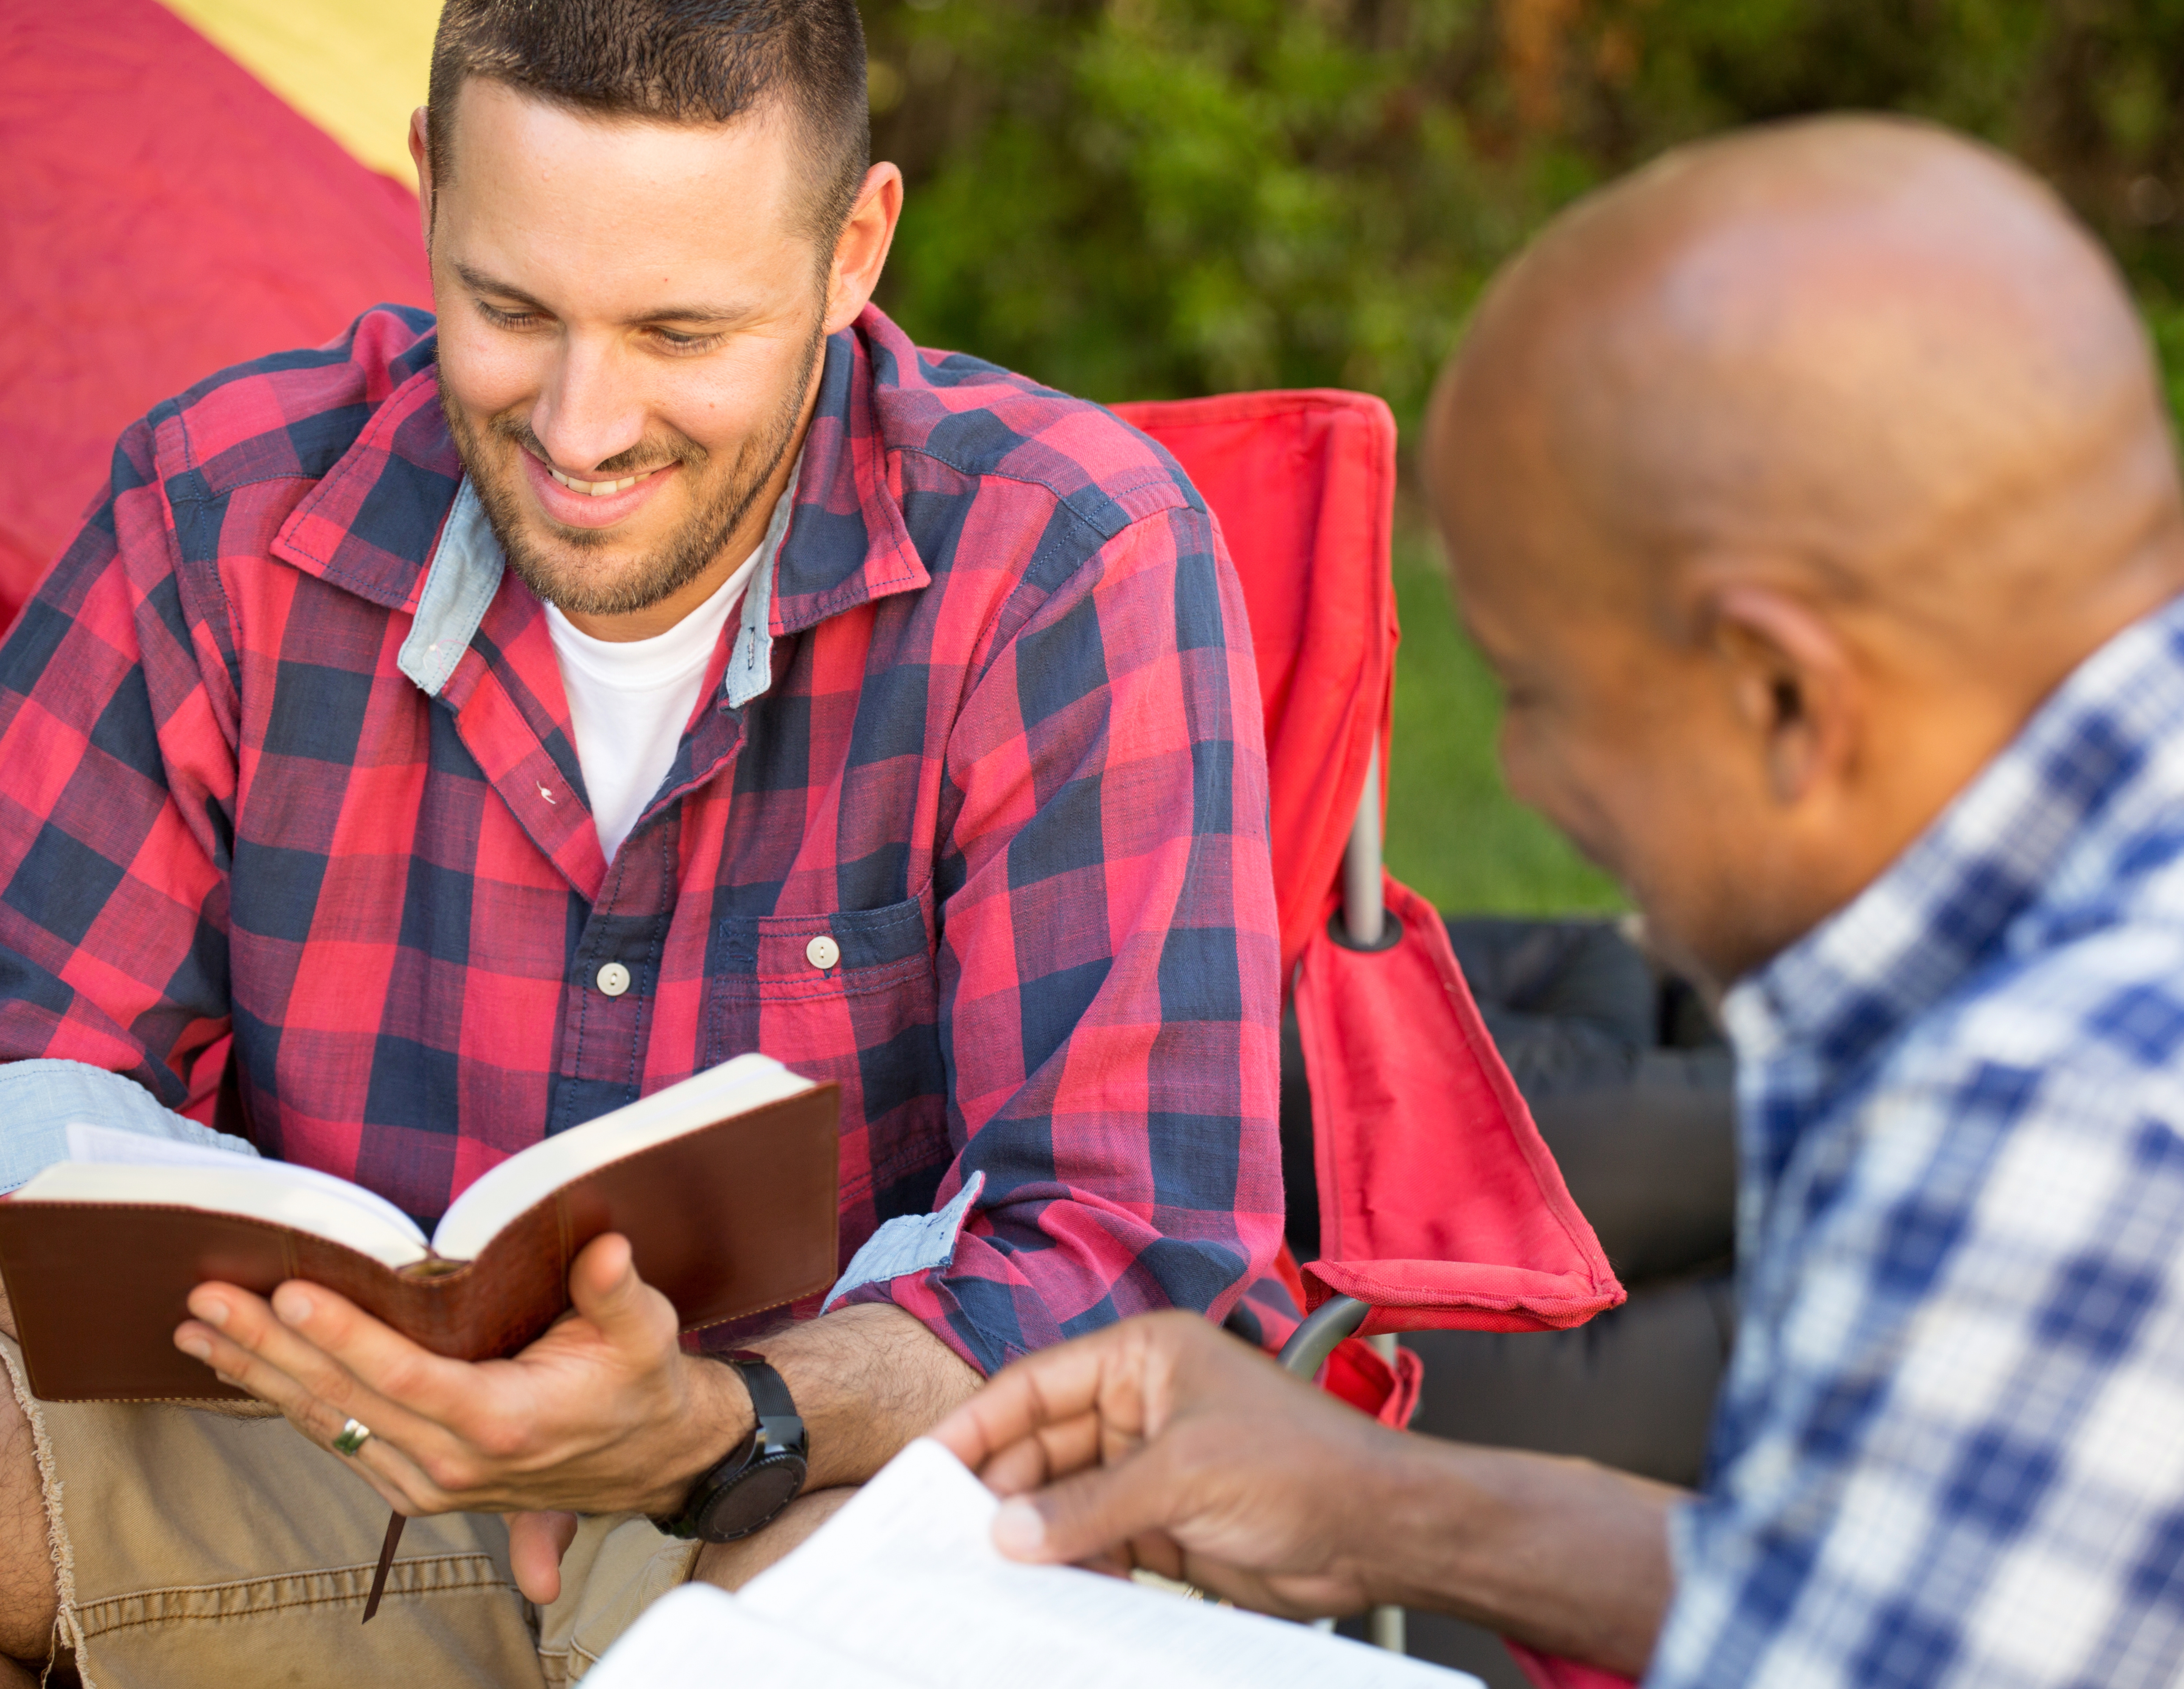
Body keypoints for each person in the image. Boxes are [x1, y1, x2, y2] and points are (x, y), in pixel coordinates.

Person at [934, 113, 2184, 1686]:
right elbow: (1878, 1598)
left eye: (1537, 696)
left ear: (1778, 693)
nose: (1524, 777)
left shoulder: (2077, 1131)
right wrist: (1384, 1507)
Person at [0, 1, 1280, 1682]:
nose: (582, 429)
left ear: (853, 249)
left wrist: (719, 1422)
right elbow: (29, 1050)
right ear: (432, 185)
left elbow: (1130, 1254)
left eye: (682, 333)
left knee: (884, 1623)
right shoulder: (216, 512)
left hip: (787, 1486)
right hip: (310, 1460)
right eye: (510, 311)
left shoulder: (1064, 560)